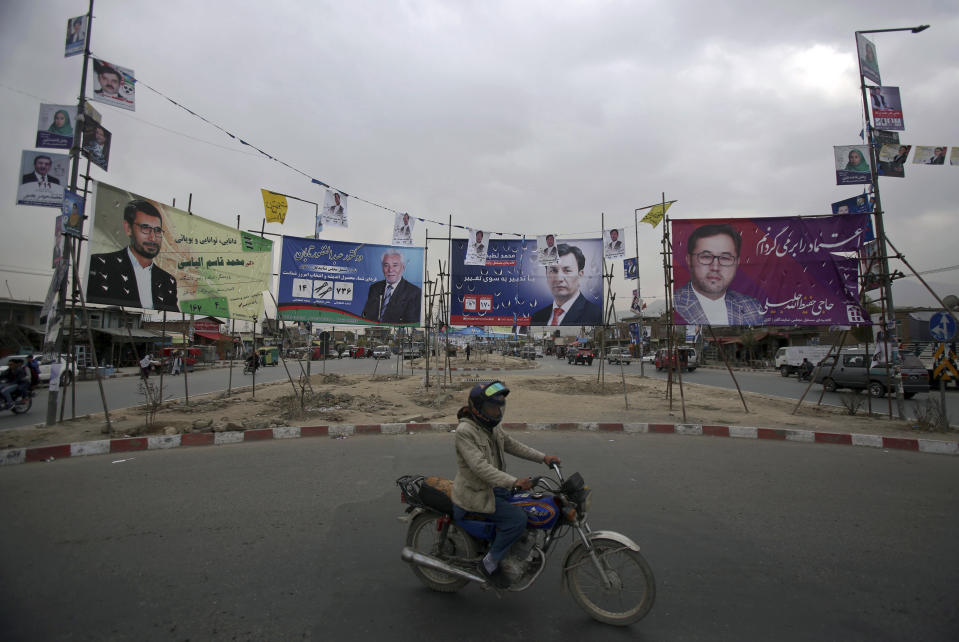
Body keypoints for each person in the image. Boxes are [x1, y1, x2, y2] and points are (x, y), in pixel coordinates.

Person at [451, 381, 561, 588]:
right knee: (517, 519)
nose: (497, 411)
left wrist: (543, 458)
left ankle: (507, 552)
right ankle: (489, 563)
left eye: (500, 406)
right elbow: (480, 467)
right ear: (478, 408)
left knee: (529, 508)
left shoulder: (491, 427)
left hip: (496, 489)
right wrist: (514, 482)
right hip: (476, 494)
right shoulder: (465, 431)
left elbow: (512, 444)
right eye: (493, 407)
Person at [87, 199, 179, 311]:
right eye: (145, 229)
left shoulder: (168, 281)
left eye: (157, 230)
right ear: (128, 228)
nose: (153, 238)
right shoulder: (101, 265)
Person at [673, 223, 764, 326]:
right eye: (706, 257)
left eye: (725, 258)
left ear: (737, 263)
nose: (715, 267)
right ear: (689, 260)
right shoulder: (673, 305)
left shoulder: (753, 308)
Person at [530, 244, 602, 325]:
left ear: (580, 274)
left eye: (567, 270)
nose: (559, 279)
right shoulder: (537, 317)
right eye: (553, 270)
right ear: (546, 275)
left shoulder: (596, 315)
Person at [361, 251, 422, 323]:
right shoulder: (374, 288)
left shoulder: (414, 292)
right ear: (382, 268)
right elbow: (366, 316)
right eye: (386, 265)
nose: (390, 270)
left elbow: (411, 322)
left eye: (395, 265)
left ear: (403, 268)